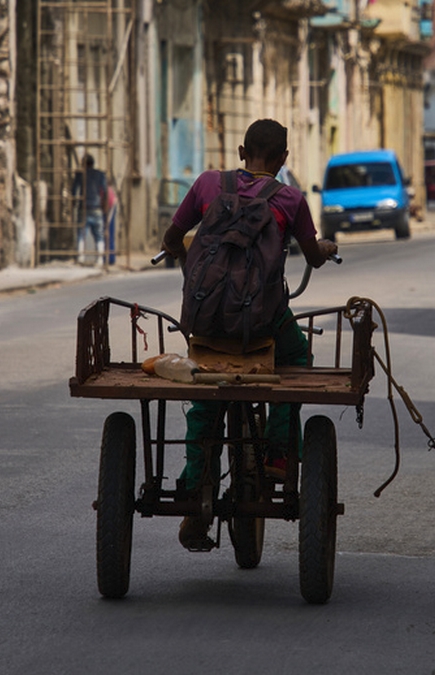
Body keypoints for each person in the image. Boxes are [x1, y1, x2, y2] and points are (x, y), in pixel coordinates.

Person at [161, 119, 339, 550]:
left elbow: (172, 237)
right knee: (296, 360)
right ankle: (278, 455)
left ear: (242, 152)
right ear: (283, 160)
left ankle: (192, 487)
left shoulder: (207, 184)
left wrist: (182, 257)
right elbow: (313, 257)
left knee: (204, 394)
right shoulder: (290, 199)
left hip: (205, 324)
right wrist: (327, 248)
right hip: (263, 323)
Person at [72, 153, 109, 265]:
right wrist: (104, 206)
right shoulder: (100, 174)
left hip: (84, 207)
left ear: (84, 164)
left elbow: (74, 190)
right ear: (93, 164)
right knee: (99, 235)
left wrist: (74, 203)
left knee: (81, 234)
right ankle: (100, 259)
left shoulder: (80, 175)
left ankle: (81, 258)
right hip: (97, 208)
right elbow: (105, 191)